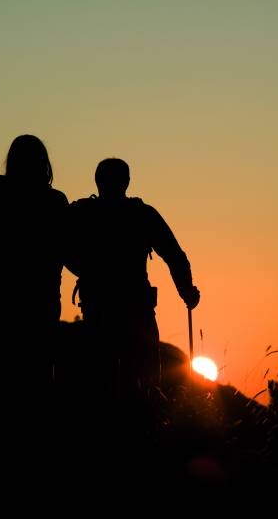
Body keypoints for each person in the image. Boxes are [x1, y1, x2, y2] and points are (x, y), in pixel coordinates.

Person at [68, 158, 200, 398]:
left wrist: (85, 270)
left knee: (100, 383)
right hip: (137, 310)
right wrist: (186, 289)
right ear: (127, 182)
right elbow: (174, 255)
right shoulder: (142, 214)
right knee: (144, 383)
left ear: (97, 181)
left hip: (98, 309)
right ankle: (145, 429)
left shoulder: (82, 213)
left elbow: (59, 248)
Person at [0, 134, 68, 392]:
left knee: (1, 374)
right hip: (41, 302)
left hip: (1, 301)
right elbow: (68, 250)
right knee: (39, 374)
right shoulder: (54, 201)